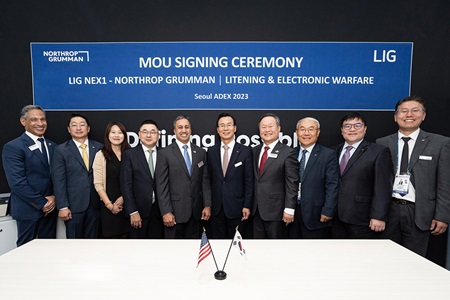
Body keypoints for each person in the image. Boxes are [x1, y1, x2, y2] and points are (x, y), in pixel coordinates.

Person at [376, 96, 450, 256]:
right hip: (389, 211)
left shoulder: (440, 143)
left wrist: (442, 216)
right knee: (386, 259)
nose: (409, 114)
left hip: (419, 211)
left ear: (423, 116)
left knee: (415, 261)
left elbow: (445, 183)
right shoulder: (382, 143)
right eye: (404, 111)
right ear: (396, 117)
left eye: (415, 110)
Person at [331, 112, 393, 239]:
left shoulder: (378, 152)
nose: (352, 129)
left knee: (361, 257)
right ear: (342, 130)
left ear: (365, 129)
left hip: (362, 218)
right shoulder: (333, 151)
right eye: (347, 126)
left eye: (357, 125)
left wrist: (378, 216)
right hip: (335, 217)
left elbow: (383, 186)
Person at [2, 105, 57, 246]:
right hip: (28, 208)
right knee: (25, 252)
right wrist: (42, 203)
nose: (40, 123)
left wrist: (54, 198)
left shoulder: (53, 146)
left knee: (49, 249)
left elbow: (57, 177)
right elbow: (17, 182)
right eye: (34, 119)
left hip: (50, 208)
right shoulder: (14, 147)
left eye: (42, 119)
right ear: (23, 121)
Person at [155, 115, 211, 239]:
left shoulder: (201, 152)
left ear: (190, 130)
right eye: (180, 127)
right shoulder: (164, 153)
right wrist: (166, 211)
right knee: (174, 254)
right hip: (174, 214)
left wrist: (207, 205)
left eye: (186, 127)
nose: (184, 130)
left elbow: (205, 181)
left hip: (196, 213)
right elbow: (161, 185)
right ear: (174, 131)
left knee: (193, 253)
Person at [52, 113, 103, 238]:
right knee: (74, 244)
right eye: (74, 125)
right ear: (69, 129)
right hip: (73, 206)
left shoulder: (99, 147)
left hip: (95, 204)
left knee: (94, 243)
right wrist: (63, 206)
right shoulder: (61, 150)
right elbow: (59, 180)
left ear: (88, 128)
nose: (78, 128)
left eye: (82, 125)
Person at [288, 117, 339, 239]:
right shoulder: (290, 153)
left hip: (316, 214)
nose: (306, 133)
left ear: (318, 132)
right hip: (292, 214)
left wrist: (328, 210)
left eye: (311, 129)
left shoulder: (328, 155)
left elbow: (332, 185)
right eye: (302, 129)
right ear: (296, 132)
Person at [252, 113, 299, 239]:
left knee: (276, 251)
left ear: (278, 128)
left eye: (270, 126)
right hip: (256, 211)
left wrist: (289, 209)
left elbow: (292, 183)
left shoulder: (288, 153)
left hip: (277, 212)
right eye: (263, 127)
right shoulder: (254, 151)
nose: (267, 130)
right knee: (258, 249)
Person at [207, 113, 253, 239]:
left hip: (237, 208)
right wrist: (208, 205)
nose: (225, 128)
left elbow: (249, 181)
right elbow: (207, 180)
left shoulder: (245, 151)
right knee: (218, 246)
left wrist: (247, 205)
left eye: (229, 125)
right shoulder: (211, 151)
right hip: (216, 209)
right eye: (222, 125)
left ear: (235, 128)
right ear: (217, 129)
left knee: (236, 247)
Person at [120, 120, 164, 239]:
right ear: (139, 134)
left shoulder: (164, 154)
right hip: (138, 211)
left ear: (158, 135)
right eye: (145, 132)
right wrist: (133, 211)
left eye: (152, 132)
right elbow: (126, 185)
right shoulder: (130, 155)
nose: (148, 135)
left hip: (160, 212)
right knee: (138, 251)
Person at [93, 122, 131, 238]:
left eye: (120, 132)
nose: (116, 135)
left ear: (124, 135)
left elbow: (135, 180)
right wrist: (110, 206)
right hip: (108, 207)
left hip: (128, 205)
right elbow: (98, 184)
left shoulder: (131, 153)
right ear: (108, 135)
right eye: (113, 132)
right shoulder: (101, 155)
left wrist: (124, 197)